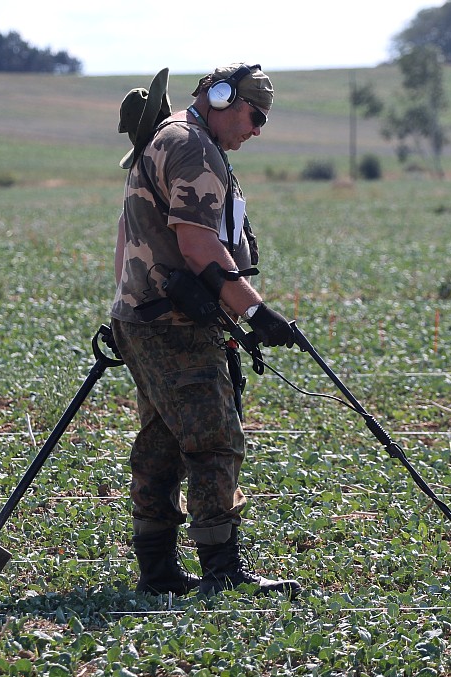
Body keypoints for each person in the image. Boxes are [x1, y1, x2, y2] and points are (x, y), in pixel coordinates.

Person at [111, 63, 301, 598]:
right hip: (170, 325)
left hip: (146, 318)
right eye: (255, 114)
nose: (258, 128)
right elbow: (197, 245)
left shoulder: (172, 136)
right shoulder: (192, 146)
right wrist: (255, 312)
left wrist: (120, 306)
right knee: (215, 439)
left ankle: (159, 572)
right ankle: (223, 570)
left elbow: (129, 230)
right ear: (221, 98)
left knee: (162, 443)